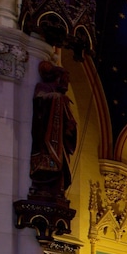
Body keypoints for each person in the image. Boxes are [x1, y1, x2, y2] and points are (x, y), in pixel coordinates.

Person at [29, 61, 77, 202]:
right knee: (49, 166)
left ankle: (58, 190)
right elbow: (39, 100)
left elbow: (69, 119)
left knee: (62, 168)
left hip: (60, 141)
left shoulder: (63, 97)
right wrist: (56, 98)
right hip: (47, 139)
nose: (66, 84)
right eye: (65, 80)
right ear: (57, 78)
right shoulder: (44, 88)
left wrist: (70, 127)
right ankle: (43, 189)